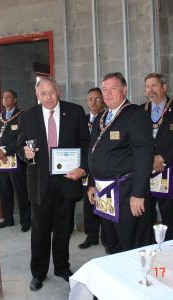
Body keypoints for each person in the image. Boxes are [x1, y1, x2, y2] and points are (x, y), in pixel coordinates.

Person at [17, 76, 89, 291]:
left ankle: (61, 267)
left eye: (52, 92)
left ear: (58, 91)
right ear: (36, 95)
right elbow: (20, 146)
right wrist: (25, 152)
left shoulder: (75, 112)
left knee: (63, 228)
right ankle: (38, 273)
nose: (48, 97)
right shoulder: (28, 117)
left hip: (67, 181)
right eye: (43, 93)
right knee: (39, 231)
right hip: (39, 183)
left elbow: (86, 144)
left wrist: (83, 169)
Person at [87, 72, 153, 254]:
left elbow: (144, 156)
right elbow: (93, 152)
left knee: (130, 242)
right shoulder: (101, 117)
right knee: (110, 240)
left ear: (124, 90)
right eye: (104, 89)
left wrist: (138, 194)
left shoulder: (135, 115)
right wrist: (92, 183)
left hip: (126, 192)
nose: (107, 94)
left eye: (113, 89)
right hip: (104, 190)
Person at [141, 73, 173, 240]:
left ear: (164, 87)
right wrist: (150, 160)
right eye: (147, 86)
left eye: (154, 85)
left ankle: (172, 251)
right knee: (146, 217)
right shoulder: (140, 110)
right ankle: (150, 250)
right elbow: (135, 140)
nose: (150, 90)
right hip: (146, 173)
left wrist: (160, 158)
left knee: (170, 218)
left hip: (172, 171)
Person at [0, 90, 31, 232]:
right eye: (3, 96)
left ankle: (26, 220)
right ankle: (8, 219)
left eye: (8, 96)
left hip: (16, 159)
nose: (4, 99)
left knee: (21, 191)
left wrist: (6, 151)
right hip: (1, 160)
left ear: (14, 99)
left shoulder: (22, 116)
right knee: (4, 190)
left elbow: (20, 138)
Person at [78, 87, 105, 249]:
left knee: (105, 200)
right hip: (85, 168)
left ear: (102, 100)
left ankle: (107, 235)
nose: (93, 102)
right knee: (88, 203)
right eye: (90, 99)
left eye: (96, 98)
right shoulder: (83, 120)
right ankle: (92, 235)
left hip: (102, 167)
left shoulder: (108, 118)